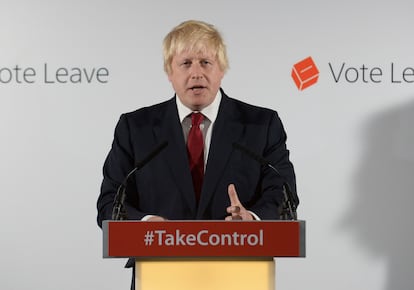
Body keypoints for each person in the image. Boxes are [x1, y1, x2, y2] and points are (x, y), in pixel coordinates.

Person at [97, 19, 298, 289]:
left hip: (240, 273)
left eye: (205, 62)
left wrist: (253, 220)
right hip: (159, 273)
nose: (196, 73)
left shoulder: (261, 124)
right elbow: (110, 202)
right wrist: (146, 225)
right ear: (170, 71)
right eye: (185, 63)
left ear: (221, 69)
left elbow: (283, 196)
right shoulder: (136, 127)